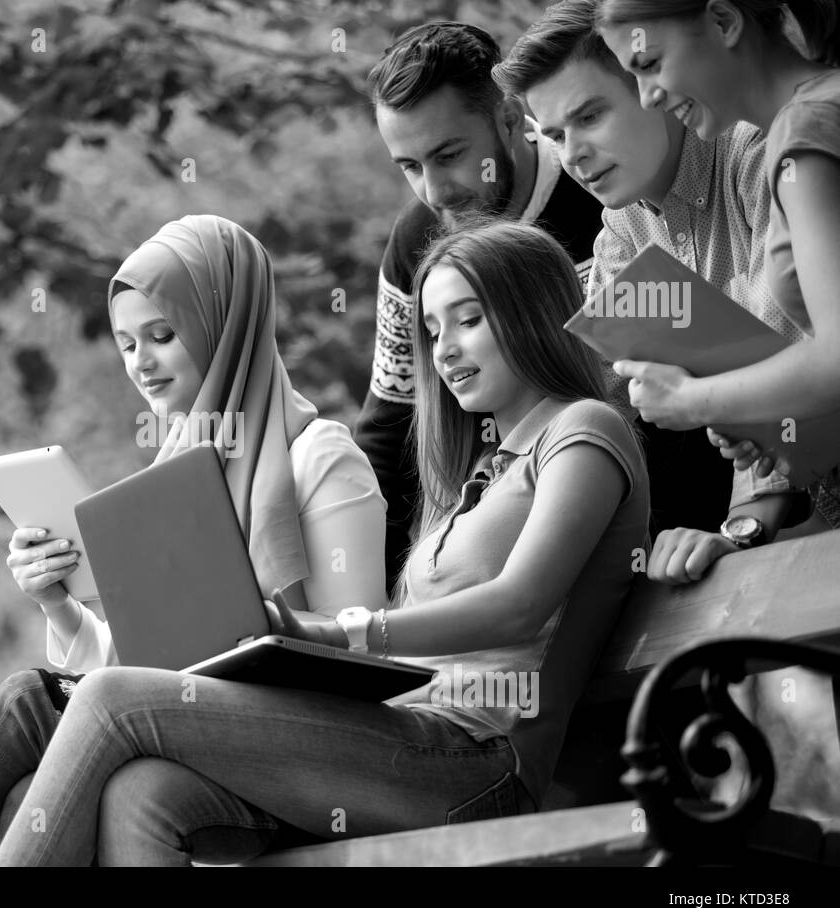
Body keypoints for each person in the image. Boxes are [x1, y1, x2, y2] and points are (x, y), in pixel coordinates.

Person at [0, 220, 651, 867]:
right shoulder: (474, 477)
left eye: (468, 319)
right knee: (144, 792)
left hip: (482, 760)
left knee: (111, 697)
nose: (443, 348)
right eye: (431, 329)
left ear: (533, 313)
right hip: (408, 740)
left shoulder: (583, 429)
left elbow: (519, 605)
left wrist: (341, 634)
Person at [0, 215, 386, 866]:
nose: (140, 363)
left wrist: (264, 629)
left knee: (34, 710)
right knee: (22, 732)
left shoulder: (321, 457)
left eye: (161, 335)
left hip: (294, 747)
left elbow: (360, 655)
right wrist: (58, 602)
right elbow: (129, 667)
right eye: (126, 344)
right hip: (174, 720)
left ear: (221, 326)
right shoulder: (169, 476)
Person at [493, 0, 809, 583]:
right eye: (556, 135)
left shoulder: (756, 155)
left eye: (590, 117)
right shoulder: (621, 237)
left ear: (647, 87)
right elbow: (599, 397)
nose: (573, 155)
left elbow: (788, 369)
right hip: (792, 536)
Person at [355, 22, 604, 584]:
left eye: (449, 155)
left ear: (511, 119)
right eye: (411, 167)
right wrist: (366, 600)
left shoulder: (601, 194)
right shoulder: (414, 239)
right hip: (478, 554)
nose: (435, 192)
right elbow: (390, 427)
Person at [595, 0, 840, 531]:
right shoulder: (802, 124)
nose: (648, 96)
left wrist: (692, 401)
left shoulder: (807, 131)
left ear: (724, 21)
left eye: (650, 63)